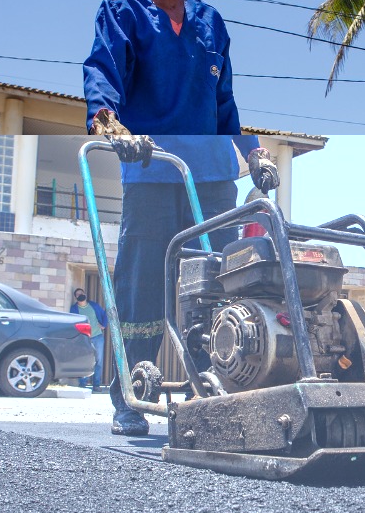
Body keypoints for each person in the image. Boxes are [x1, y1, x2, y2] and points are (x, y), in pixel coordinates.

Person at [102, 136, 278, 436]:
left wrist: (254, 150)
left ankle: (209, 390)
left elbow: (223, 103)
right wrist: (113, 124)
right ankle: (131, 394)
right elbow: (105, 88)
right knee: (141, 285)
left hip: (213, 176)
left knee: (218, 284)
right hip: (150, 167)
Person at [83, 0, 244, 137]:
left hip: (204, 166)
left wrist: (250, 152)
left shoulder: (212, 23)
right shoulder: (123, 11)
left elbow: (224, 101)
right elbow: (104, 71)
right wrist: (103, 117)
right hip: (146, 160)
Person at [69, 288, 107, 392]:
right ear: (75, 297)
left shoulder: (94, 306)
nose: (80, 295)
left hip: (97, 337)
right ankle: (82, 384)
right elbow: (72, 322)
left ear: (85, 294)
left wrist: (103, 325)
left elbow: (104, 315)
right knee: (83, 359)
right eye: (78, 294)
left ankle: (96, 385)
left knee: (98, 361)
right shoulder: (74, 309)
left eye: (82, 293)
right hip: (83, 338)